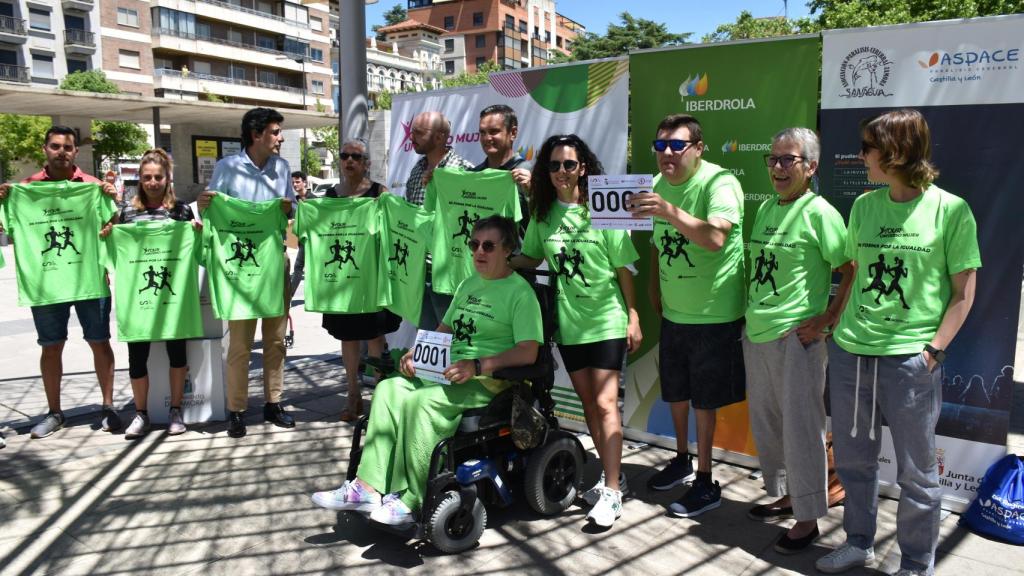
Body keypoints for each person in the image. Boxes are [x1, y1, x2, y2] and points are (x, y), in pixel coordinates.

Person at [816, 109, 980, 576]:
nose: (860, 155)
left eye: (867, 147)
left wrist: (932, 352)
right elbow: (852, 275)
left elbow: (963, 294)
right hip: (851, 351)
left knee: (918, 472)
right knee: (853, 461)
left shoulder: (951, 210)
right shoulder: (865, 207)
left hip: (910, 359)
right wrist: (833, 326)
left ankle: (915, 561)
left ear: (895, 152)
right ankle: (859, 542)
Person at [311, 215, 542, 525]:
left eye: (489, 245)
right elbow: (444, 329)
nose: (479, 252)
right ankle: (366, 488)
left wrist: (477, 365)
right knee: (389, 388)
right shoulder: (468, 283)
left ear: (508, 249)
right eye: (474, 244)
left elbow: (529, 351)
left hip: (488, 380)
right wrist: (416, 354)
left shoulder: (520, 293)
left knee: (422, 402)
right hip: (449, 370)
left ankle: (411, 498)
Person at [513, 134, 641, 528]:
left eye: (569, 164)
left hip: (606, 320)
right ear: (545, 172)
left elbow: (623, 268)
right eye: (554, 166)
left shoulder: (602, 207)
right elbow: (532, 256)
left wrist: (633, 316)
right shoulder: (542, 213)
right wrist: (494, 258)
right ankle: (609, 476)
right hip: (569, 325)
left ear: (583, 167)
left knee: (605, 406)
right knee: (588, 408)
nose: (562, 172)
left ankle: (614, 490)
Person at [627, 114, 746, 517]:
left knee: (705, 401)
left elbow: (714, 238)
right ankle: (682, 459)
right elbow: (659, 244)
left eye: (677, 145)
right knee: (675, 392)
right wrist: (653, 288)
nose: (667, 154)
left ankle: (707, 481)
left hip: (714, 315)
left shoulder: (720, 183)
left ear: (698, 148)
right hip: (675, 313)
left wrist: (667, 209)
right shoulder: (656, 185)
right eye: (660, 146)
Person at [741, 128, 854, 554]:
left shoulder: (820, 212)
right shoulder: (767, 207)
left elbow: (850, 267)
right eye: (772, 159)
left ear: (811, 167)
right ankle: (791, 497)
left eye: (788, 160)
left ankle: (808, 520)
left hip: (796, 339)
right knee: (771, 426)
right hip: (758, 333)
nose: (778, 168)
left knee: (803, 429)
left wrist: (827, 319)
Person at [0, 125, 121, 439]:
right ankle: (55, 413)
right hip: (46, 284)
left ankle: (108, 406)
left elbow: (113, 225)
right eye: (55, 146)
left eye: (67, 147)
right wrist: (3, 200)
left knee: (99, 342)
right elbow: (11, 229)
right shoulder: (24, 190)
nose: (61, 152)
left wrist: (113, 207)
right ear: (45, 149)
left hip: (90, 279)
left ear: (75, 151)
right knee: (51, 347)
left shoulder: (93, 187)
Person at [197, 107, 296, 438]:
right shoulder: (227, 168)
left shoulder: (282, 168)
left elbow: (292, 210)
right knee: (239, 344)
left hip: (273, 264)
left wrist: (288, 208)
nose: (280, 137)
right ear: (257, 135)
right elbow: (211, 208)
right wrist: (204, 204)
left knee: (276, 339)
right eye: (275, 132)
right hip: (239, 270)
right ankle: (237, 409)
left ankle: (274, 402)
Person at [102, 149, 197, 438]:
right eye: (147, 178)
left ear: (168, 178)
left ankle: (176, 410)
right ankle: (140, 414)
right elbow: (113, 247)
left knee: (177, 354)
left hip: (174, 298)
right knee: (137, 356)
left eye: (158, 177)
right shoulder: (127, 212)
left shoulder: (181, 210)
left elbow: (197, 251)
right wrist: (107, 234)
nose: (153, 182)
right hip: (138, 299)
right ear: (139, 180)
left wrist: (198, 232)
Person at [322, 139, 401, 422]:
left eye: (356, 156)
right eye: (345, 156)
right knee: (348, 337)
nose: (349, 161)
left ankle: (380, 397)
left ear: (367, 162)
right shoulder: (329, 197)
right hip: (342, 283)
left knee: (376, 335)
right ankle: (353, 395)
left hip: (374, 281)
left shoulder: (380, 193)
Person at [403, 111, 474, 330]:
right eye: (411, 131)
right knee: (425, 342)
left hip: (449, 274)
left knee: (453, 340)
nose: (411, 137)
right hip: (418, 271)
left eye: (418, 132)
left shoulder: (465, 171)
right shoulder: (416, 170)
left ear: (440, 137)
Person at [471, 104, 532, 231]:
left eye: (494, 131)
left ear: (513, 133)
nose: (487, 138)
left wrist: (531, 194)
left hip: (517, 251)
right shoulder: (473, 174)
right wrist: (437, 184)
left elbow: (546, 222)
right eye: (482, 132)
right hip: (478, 250)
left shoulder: (531, 173)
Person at [289, 170, 308, 299]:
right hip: (300, 239)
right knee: (298, 267)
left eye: (297, 182)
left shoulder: (314, 199)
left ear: (304, 183)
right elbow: (288, 219)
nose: (295, 185)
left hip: (314, 239)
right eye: (293, 183)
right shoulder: (293, 202)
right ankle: (288, 296)